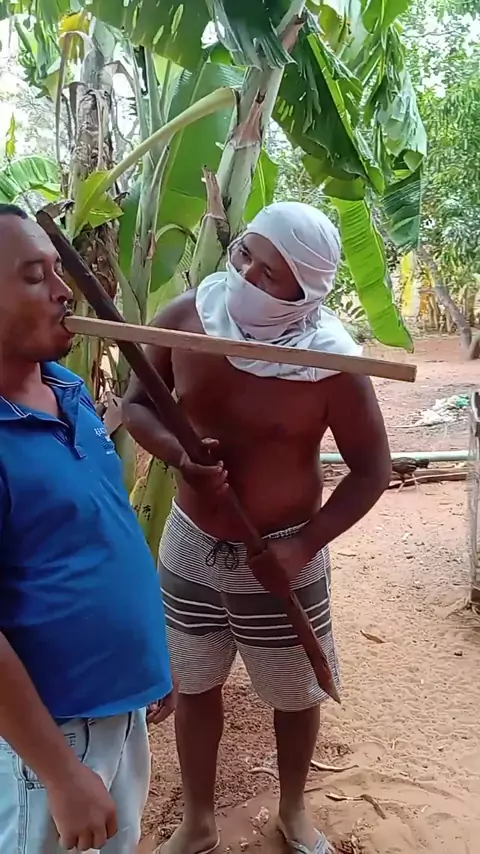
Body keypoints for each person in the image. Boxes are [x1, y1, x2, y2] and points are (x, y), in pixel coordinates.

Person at [123, 201, 392, 854]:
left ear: (306, 291)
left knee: (296, 693)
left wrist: (303, 544)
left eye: (270, 274)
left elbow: (372, 471)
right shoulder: (188, 318)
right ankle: (198, 820)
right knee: (195, 683)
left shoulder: (332, 363)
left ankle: (293, 810)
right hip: (190, 545)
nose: (245, 274)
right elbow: (136, 405)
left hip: (283, 556)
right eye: (245, 253)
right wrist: (179, 455)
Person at [0, 204, 174, 854]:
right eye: (33, 276)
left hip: (116, 712)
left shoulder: (66, 389)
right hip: (49, 738)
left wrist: (146, 666)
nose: (63, 290)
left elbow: (96, 536)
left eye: (57, 269)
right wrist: (58, 772)